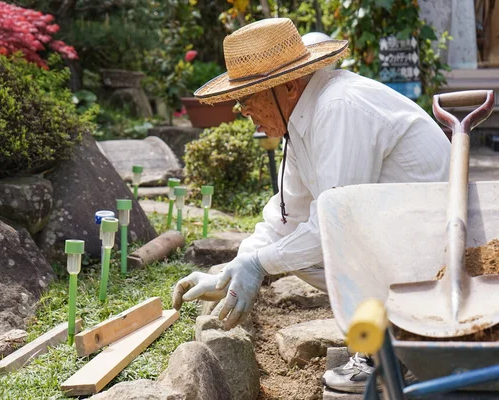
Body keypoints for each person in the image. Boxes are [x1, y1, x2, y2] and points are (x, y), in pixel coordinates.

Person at [172, 18, 451, 394]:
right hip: (403, 234)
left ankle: (406, 350)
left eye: (249, 99)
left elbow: (336, 224)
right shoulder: (301, 121)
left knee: (315, 251)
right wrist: (232, 268)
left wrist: (259, 264)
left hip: (439, 245)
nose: (245, 112)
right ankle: (395, 343)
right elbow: (286, 216)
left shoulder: (338, 108)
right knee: (292, 253)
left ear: (287, 86)